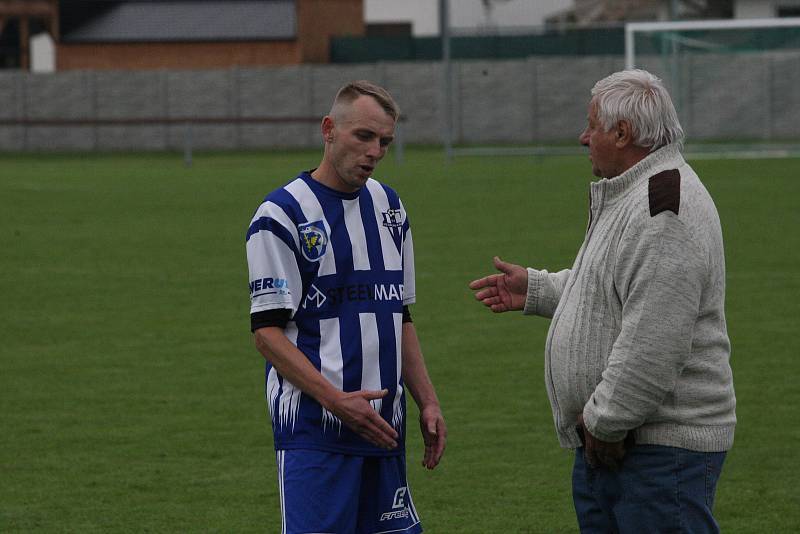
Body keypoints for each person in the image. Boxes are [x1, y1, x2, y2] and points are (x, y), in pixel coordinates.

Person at [469, 69, 736, 533]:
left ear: (622, 132)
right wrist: (537, 288)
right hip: (625, 446)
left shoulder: (662, 206)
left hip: (652, 453)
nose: (582, 137)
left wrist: (604, 423)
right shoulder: (639, 193)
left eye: (591, 125)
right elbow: (615, 290)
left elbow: (654, 340)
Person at [246, 80, 446, 534]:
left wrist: (427, 401)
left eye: (385, 142)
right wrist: (337, 402)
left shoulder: (390, 208)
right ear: (329, 129)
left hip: (384, 433)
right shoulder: (280, 216)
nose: (374, 151)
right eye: (364, 137)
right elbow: (266, 333)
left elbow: (400, 315)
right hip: (316, 435)